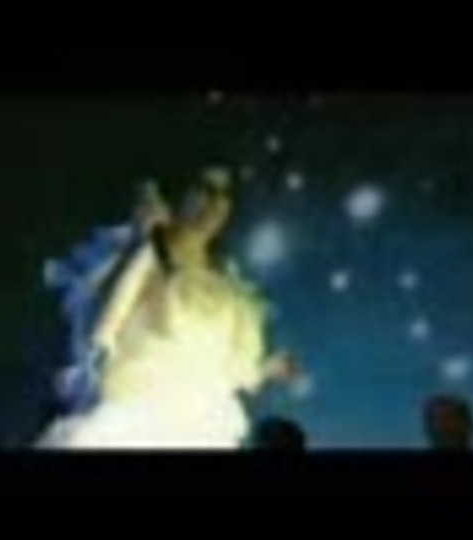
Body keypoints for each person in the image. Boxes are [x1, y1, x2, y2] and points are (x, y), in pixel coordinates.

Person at [35, 168, 298, 449]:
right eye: (205, 189)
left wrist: (267, 368)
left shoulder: (228, 288)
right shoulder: (149, 256)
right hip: (140, 410)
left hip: (199, 421)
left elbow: (234, 371)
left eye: (223, 195)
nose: (214, 203)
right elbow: (106, 323)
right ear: (181, 195)